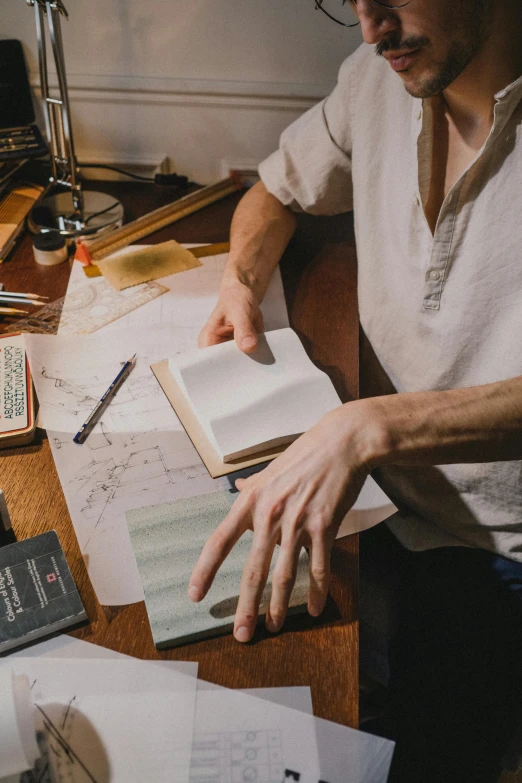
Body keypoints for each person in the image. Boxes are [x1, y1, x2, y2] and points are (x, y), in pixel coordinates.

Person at [188, 1, 522, 780]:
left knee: (414, 755)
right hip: (378, 502)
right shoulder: (378, 79)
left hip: (496, 540)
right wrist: (241, 278)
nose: (372, 30)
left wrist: (368, 428)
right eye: (353, 2)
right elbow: (274, 193)